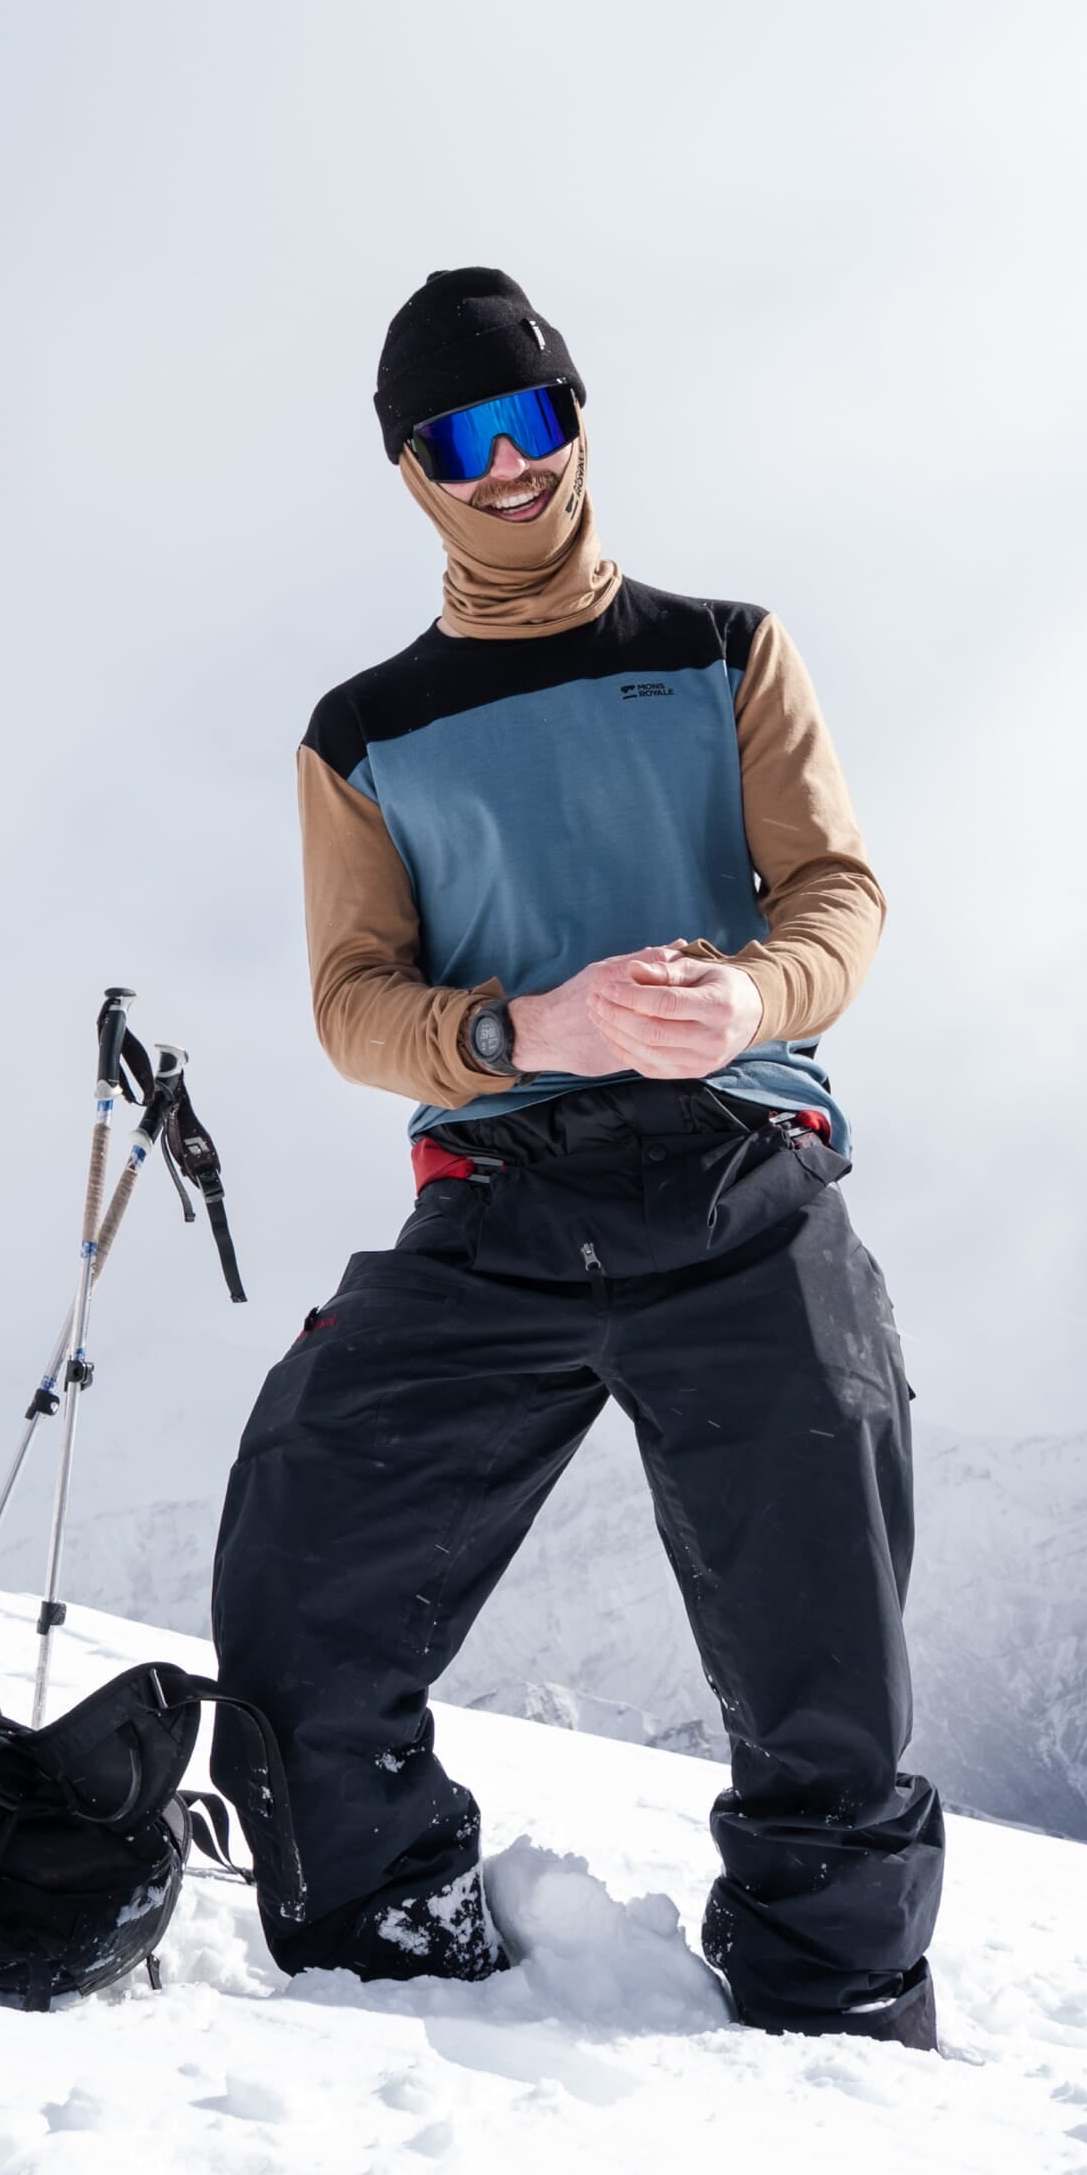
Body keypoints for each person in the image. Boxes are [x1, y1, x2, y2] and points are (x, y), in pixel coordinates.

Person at [210, 267, 943, 2048]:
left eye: (533, 419)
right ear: (411, 471)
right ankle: (393, 1950)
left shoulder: (725, 651)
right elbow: (352, 1003)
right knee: (299, 1570)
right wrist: (523, 1029)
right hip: (499, 1210)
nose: (507, 466)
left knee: (828, 1672)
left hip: (739, 1177)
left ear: (580, 420)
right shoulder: (362, 732)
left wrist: (751, 993)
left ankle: (838, 2021)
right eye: (460, 440)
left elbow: (837, 897)